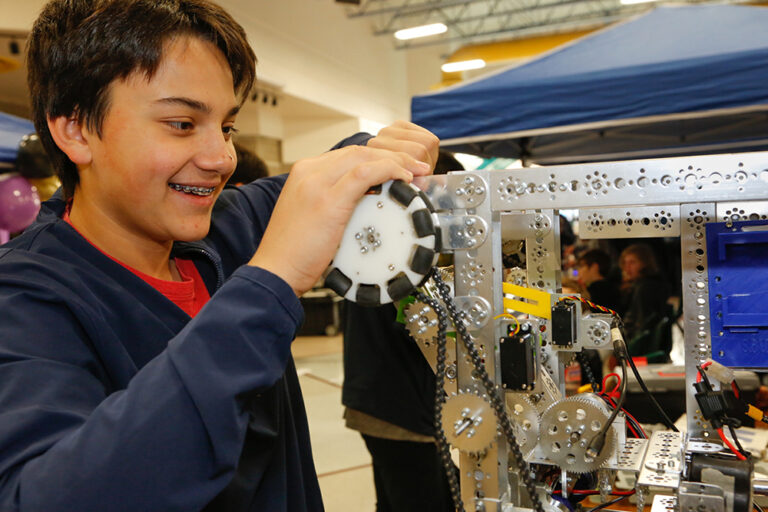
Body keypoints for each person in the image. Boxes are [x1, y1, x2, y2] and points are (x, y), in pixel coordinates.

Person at [0, 1, 439, 510]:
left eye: (226, 127)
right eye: (182, 124)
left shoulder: (225, 232)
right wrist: (269, 282)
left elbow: (320, 176)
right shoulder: (25, 301)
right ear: (74, 129)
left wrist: (381, 146)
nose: (220, 158)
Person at [341, 150, 461, 512]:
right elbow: (419, 325)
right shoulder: (403, 243)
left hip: (388, 403)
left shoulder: (389, 233)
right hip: (400, 410)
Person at [619, 243, 672, 354]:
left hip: (640, 349)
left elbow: (641, 324)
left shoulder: (645, 287)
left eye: (632, 262)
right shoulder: (647, 284)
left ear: (645, 263)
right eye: (625, 263)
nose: (627, 268)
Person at [575, 248, 622, 314]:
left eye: (582, 266)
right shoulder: (611, 287)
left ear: (594, 267)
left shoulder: (595, 292)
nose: (579, 271)